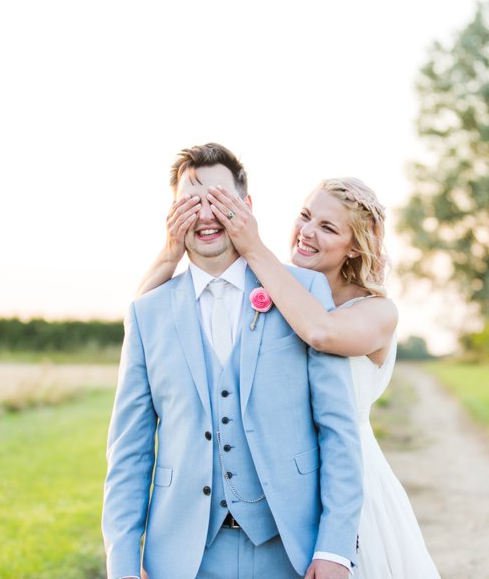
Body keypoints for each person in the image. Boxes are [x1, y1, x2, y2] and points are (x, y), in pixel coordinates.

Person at [139, 174, 441, 578]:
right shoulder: (275, 286)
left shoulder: (377, 312)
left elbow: (321, 331)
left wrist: (252, 246)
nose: (307, 232)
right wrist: (170, 254)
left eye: (328, 227)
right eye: (305, 216)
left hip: (347, 489)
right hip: (284, 495)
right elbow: (145, 325)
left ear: (355, 247)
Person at [102, 143, 363, 579]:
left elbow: (338, 428)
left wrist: (335, 548)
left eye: (218, 200)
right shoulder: (147, 313)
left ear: (246, 206)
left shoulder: (304, 294)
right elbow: (128, 453)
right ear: (172, 215)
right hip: (184, 559)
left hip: (290, 549)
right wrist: (124, 566)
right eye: (191, 203)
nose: (205, 215)